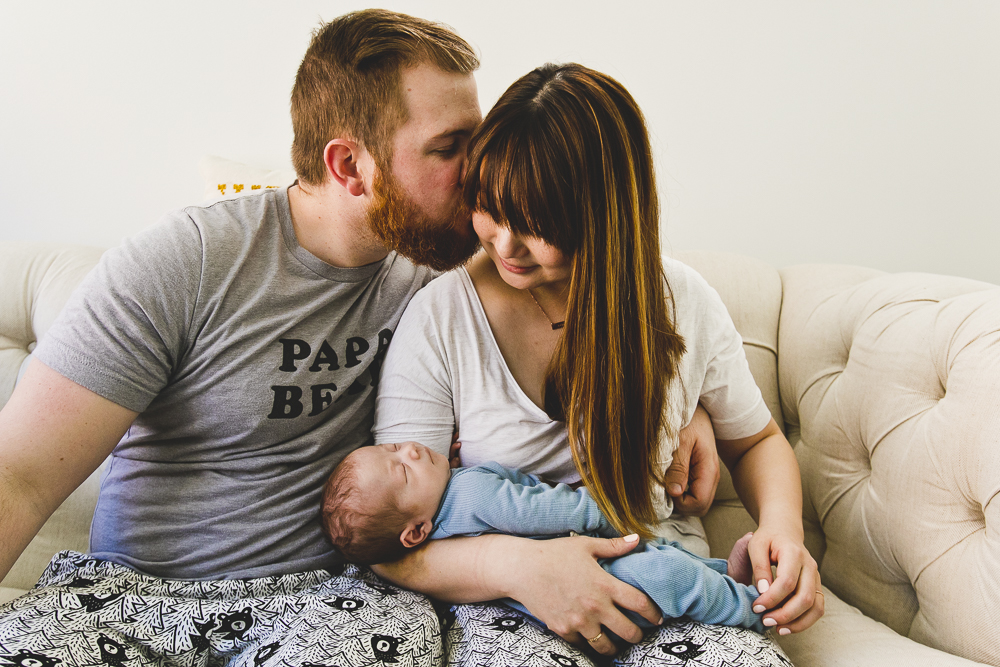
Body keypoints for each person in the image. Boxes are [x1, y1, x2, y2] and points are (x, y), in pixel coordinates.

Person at [0, 9, 716, 665]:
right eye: (450, 147)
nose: (483, 173)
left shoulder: (449, 274)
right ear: (350, 166)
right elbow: (20, 478)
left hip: (324, 607)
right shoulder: (185, 264)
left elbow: (603, 288)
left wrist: (693, 410)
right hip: (137, 599)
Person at [370, 63, 823, 662]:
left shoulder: (680, 301)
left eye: (536, 228)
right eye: (490, 209)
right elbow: (394, 534)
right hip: (503, 601)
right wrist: (524, 569)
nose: (505, 245)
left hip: (665, 579)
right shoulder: (442, 315)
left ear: (602, 218)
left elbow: (758, 440)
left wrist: (783, 531)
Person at [321, 442, 766, 633]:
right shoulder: (469, 493)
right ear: (415, 531)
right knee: (666, 570)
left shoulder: (450, 509)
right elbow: (541, 510)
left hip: (562, 585)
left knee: (666, 558)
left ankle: (727, 574)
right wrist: (605, 510)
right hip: (594, 572)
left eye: (392, 447)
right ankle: (750, 608)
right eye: (402, 470)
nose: (411, 450)